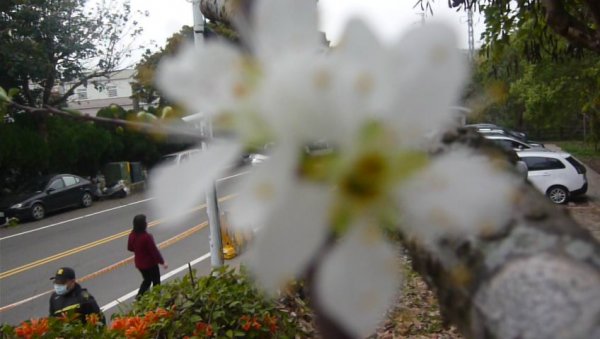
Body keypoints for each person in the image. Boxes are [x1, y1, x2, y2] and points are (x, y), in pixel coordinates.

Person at [128, 214, 168, 298]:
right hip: (150, 264)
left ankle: (139, 296)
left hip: (139, 264)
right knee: (156, 281)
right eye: (145, 222)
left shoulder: (132, 235)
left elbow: (130, 248)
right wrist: (162, 262)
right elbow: (154, 251)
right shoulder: (147, 237)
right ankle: (157, 298)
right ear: (143, 224)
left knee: (147, 280)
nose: (147, 223)